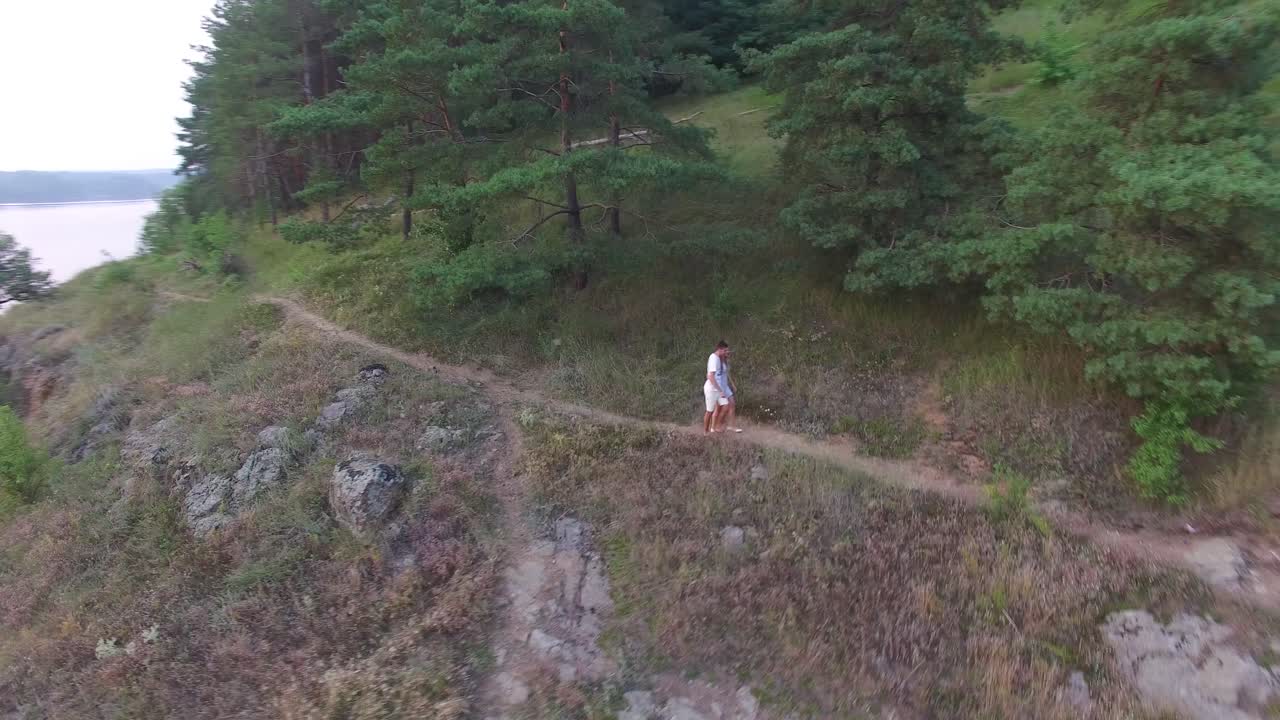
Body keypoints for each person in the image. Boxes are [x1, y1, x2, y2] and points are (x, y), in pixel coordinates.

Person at [703, 340, 742, 434]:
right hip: (714, 387)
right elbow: (710, 375)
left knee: (728, 405)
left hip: (722, 386)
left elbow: (725, 373)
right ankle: (709, 430)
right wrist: (719, 390)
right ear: (719, 349)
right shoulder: (714, 358)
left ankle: (721, 426)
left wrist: (731, 384)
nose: (727, 352)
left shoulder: (721, 359)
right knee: (712, 410)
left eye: (727, 351)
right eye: (725, 351)